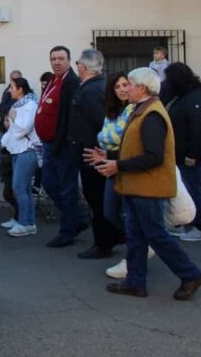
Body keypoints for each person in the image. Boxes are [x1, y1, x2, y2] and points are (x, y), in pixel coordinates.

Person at [90, 68, 201, 301]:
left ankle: (190, 274)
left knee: (155, 234)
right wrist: (109, 156)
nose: (126, 89)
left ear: (142, 88)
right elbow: (136, 148)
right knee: (136, 235)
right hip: (137, 186)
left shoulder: (152, 115)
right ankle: (136, 282)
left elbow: (154, 156)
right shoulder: (141, 110)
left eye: (130, 85)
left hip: (149, 188)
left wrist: (117, 166)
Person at [83, 72, 143, 279]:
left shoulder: (135, 110)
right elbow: (107, 137)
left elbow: (123, 140)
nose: (123, 89)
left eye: (126, 84)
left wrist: (107, 151)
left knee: (129, 215)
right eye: (118, 87)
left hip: (126, 167)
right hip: (110, 166)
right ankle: (137, 245)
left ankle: (134, 257)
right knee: (109, 212)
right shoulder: (112, 112)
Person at [70, 49, 120, 259]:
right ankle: (110, 238)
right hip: (95, 152)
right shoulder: (98, 86)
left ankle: (104, 244)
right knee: (99, 200)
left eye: (79, 63)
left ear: (83, 66)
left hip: (93, 154)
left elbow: (100, 123)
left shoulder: (91, 91)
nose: (77, 66)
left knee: (97, 200)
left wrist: (100, 151)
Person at [165, 62, 201, 242]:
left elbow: (199, 129)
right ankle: (182, 223)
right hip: (183, 153)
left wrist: (192, 155)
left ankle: (200, 226)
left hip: (191, 155)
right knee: (184, 189)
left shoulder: (195, 98)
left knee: (192, 189)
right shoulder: (185, 96)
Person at [35, 46, 85, 248]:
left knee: (66, 189)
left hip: (61, 146)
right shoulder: (52, 81)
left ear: (69, 60)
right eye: (53, 59)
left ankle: (68, 231)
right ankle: (78, 219)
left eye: (61, 58)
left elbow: (68, 117)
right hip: (48, 145)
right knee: (49, 184)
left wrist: (58, 143)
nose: (57, 62)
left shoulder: (71, 83)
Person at [0, 77, 40, 237]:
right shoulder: (19, 105)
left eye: (12, 87)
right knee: (24, 189)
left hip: (27, 151)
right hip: (18, 151)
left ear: (20, 89)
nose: (10, 90)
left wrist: (13, 118)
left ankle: (25, 223)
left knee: (19, 188)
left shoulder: (30, 105)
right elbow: (13, 130)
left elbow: (23, 129)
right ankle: (26, 221)